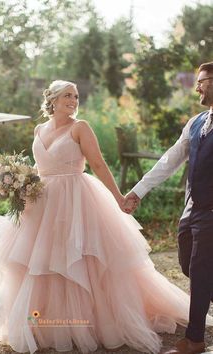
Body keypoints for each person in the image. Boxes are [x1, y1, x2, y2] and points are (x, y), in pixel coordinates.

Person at [0, 80, 208, 354]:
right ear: (52, 99)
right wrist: (18, 184)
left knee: (83, 259)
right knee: (43, 262)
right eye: (67, 96)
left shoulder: (80, 127)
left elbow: (98, 164)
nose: (73, 100)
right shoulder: (39, 129)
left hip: (77, 200)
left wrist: (119, 198)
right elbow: (39, 168)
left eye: (75, 96)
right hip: (42, 203)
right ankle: (46, 323)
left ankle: (94, 323)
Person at [124, 61, 213, 354]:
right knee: (188, 265)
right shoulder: (196, 122)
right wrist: (138, 191)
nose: (197, 86)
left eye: (202, 81)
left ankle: (194, 339)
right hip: (191, 209)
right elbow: (169, 160)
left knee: (201, 272)